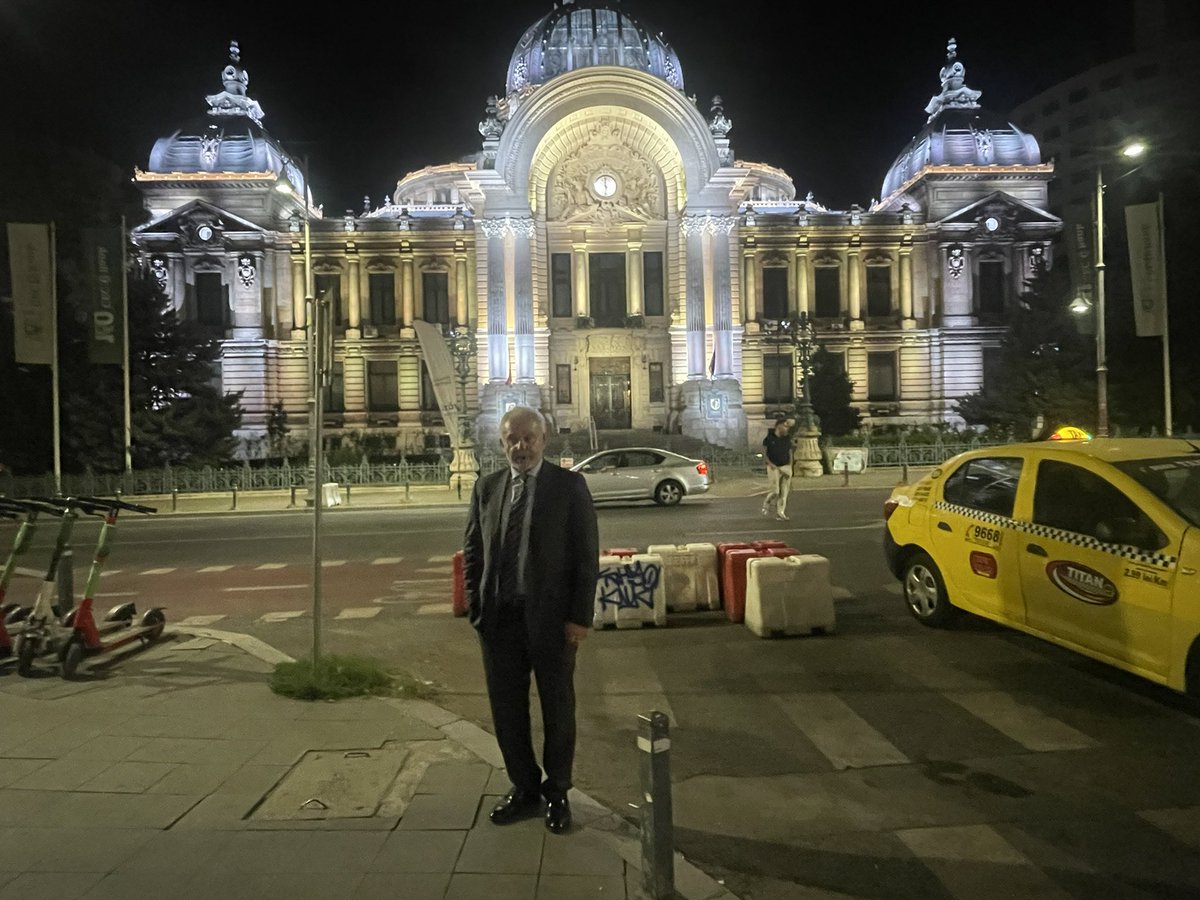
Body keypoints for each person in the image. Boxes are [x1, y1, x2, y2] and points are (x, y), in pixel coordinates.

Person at [462, 405, 599, 835]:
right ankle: (524, 787)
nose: (520, 447)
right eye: (512, 439)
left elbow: (586, 557)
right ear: (501, 443)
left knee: (558, 709)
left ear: (543, 440)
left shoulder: (569, 486)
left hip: (553, 622)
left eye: (528, 438)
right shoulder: (487, 488)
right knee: (507, 711)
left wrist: (579, 618)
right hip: (500, 620)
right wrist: (476, 607)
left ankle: (558, 792)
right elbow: (472, 552)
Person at [761, 416, 793, 521]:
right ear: (778, 426)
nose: (786, 428)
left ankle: (781, 513)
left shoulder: (787, 438)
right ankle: (767, 502)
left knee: (784, 492)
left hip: (785, 466)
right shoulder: (769, 438)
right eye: (785, 426)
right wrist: (769, 463)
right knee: (775, 491)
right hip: (773, 467)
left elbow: (790, 452)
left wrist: (790, 466)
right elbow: (764, 453)